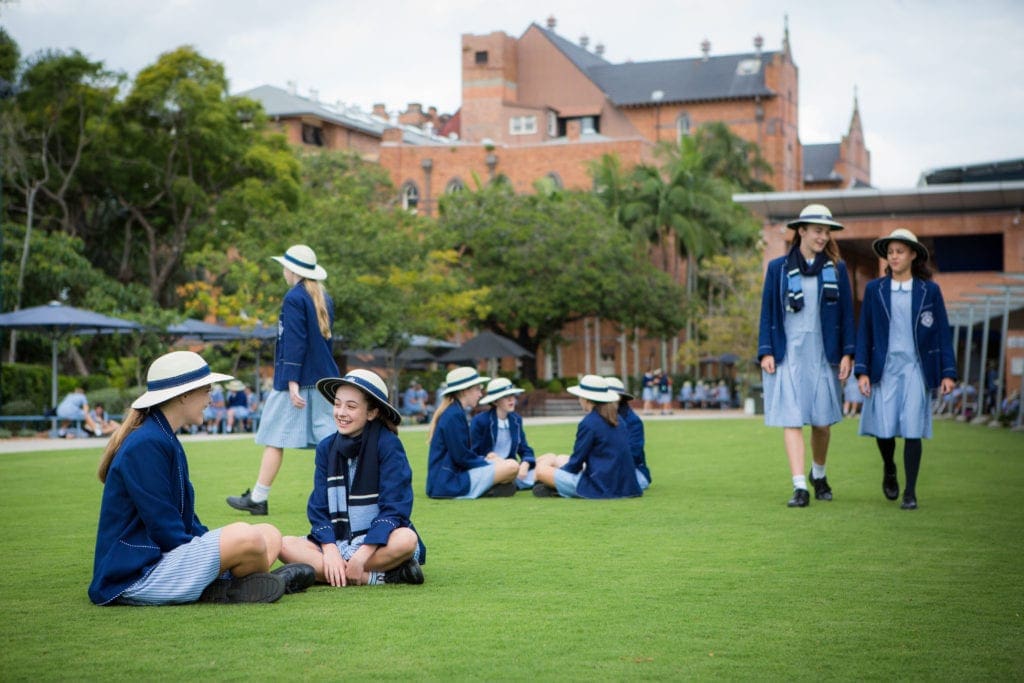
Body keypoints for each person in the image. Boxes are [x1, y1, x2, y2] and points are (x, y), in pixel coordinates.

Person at [88, 351, 315, 606]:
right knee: (245, 537)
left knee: (268, 533)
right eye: (206, 390)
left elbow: (185, 520)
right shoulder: (147, 443)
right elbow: (165, 527)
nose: (211, 399)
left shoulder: (162, 436)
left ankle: (229, 585)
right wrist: (215, 557)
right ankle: (228, 584)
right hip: (136, 575)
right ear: (184, 395)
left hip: (165, 560)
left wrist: (213, 553)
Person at [279, 369, 426, 586]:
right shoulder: (326, 448)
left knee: (407, 540)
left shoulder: (388, 444)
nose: (340, 412)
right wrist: (329, 550)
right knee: (282, 544)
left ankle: (325, 573)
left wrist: (364, 552)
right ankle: (376, 577)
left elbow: (395, 508)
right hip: (338, 541)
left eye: (351, 406)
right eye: (337, 404)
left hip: (379, 542)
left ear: (372, 412)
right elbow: (319, 506)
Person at [228, 245, 339, 515]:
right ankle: (341, 496)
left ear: (292, 270)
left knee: (273, 437)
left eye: (284, 266)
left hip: (297, 380)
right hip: (325, 378)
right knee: (333, 440)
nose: (283, 270)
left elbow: (293, 342)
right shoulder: (324, 296)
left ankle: (258, 498)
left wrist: (291, 382)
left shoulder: (293, 298)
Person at [758, 204, 855, 508]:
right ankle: (800, 486)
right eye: (817, 231)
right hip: (789, 354)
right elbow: (767, 313)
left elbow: (846, 315)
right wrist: (766, 351)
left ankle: (819, 474)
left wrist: (848, 354)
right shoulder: (778, 269)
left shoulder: (837, 269)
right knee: (792, 419)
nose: (823, 237)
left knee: (822, 423)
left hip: (823, 354)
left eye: (827, 232)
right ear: (801, 231)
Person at [855, 228, 956, 511]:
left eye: (900, 251)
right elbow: (865, 331)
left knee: (912, 428)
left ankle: (910, 492)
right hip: (884, 368)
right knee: (884, 430)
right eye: (890, 252)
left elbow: (942, 334)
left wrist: (948, 372)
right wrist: (862, 371)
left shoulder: (929, 291)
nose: (894, 256)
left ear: (913, 255)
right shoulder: (875, 290)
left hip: (916, 368)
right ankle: (889, 467)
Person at [532, 375, 643, 499]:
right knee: (560, 460)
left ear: (586, 398)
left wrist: (554, 475)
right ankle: (555, 488)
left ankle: (554, 487)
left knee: (541, 471)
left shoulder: (589, 422)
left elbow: (576, 463)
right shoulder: (619, 419)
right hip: (627, 487)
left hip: (600, 487)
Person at [426, 367, 519, 499]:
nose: (480, 394)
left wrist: (486, 459)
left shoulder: (455, 412)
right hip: (447, 483)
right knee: (512, 467)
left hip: (447, 479)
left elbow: (463, 455)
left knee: (506, 465)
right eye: (477, 389)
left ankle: (489, 488)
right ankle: (487, 489)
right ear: (465, 391)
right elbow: (462, 457)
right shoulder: (453, 415)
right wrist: (488, 463)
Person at [470, 377, 536, 490]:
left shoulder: (516, 420)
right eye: (506, 396)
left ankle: (505, 484)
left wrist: (525, 464)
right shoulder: (480, 421)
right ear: (495, 401)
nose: (511, 400)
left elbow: (525, 449)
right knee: (513, 467)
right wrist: (488, 457)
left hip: (513, 467)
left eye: (512, 395)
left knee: (548, 459)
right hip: (488, 468)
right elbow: (471, 453)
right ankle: (505, 483)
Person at [605, 376, 651, 491]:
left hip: (632, 471)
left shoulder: (633, 422)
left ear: (619, 398)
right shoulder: (599, 417)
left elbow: (632, 455)